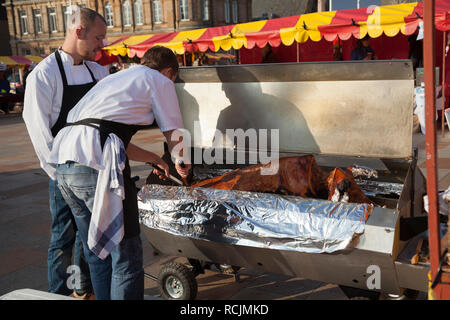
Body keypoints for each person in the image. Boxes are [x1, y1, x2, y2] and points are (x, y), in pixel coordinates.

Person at [48, 46, 191, 300]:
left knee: (96, 252)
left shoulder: (117, 78)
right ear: (169, 71)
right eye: (173, 77)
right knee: (126, 254)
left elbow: (106, 132)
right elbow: (174, 130)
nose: (172, 82)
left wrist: (155, 158)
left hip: (65, 164)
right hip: (93, 166)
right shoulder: (159, 80)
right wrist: (182, 162)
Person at [22, 7, 109, 299]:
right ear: (79, 31)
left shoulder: (98, 71)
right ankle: (58, 293)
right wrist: (58, 174)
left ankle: (82, 289)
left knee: (92, 239)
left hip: (96, 170)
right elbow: (38, 130)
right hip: (63, 172)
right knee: (63, 239)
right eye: (98, 37)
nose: (102, 44)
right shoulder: (44, 75)